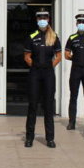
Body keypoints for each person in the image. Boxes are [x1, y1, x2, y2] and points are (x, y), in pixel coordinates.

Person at [23, 10, 62, 148]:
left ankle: (50, 138)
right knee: (32, 105)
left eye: (45, 17)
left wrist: (49, 66)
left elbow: (58, 56)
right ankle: (29, 138)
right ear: (36, 19)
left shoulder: (54, 36)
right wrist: (34, 65)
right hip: (35, 73)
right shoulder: (32, 36)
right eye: (40, 17)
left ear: (48, 18)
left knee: (48, 106)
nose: (42, 19)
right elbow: (27, 56)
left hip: (48, 74)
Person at [64, 14, 84, 131]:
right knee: (73, 96)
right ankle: (72, 122)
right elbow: (66, 54)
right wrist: (73, 58)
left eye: (83, 22)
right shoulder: (72, 38)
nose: (81, 24)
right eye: (79, 22)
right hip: (75, 70)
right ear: (76, 24)